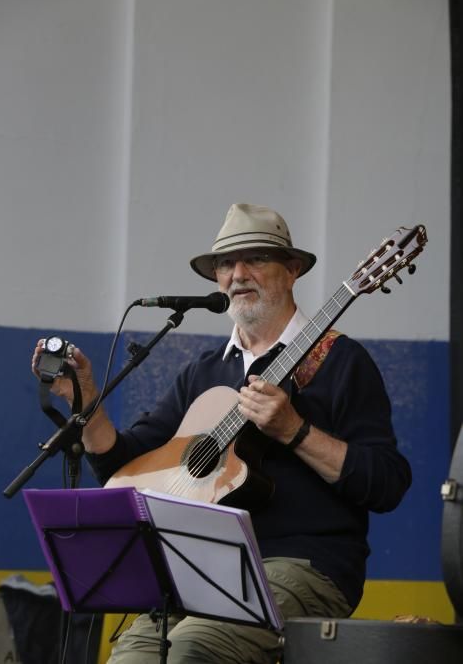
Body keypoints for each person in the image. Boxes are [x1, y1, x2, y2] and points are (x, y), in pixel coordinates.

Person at [32, 203, 412, 664]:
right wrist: (84, 400)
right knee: (130, 658)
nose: (238, 274)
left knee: (194, 650)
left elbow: (388, 482)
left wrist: (295, 431)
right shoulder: (205, 371)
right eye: (226, 264)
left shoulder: (340, 361)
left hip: (303, 566)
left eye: (255, 259)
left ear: (292, 270)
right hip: (200, 571)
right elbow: (122, 467)